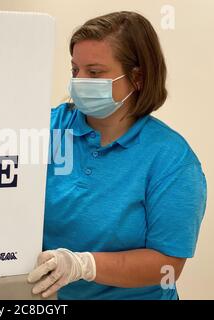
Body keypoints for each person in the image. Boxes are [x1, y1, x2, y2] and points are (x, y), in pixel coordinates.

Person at [27, 11, 207, 300]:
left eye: (95, 72)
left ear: (137, 77)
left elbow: (167, 267)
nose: (79, 81)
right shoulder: (50, 129)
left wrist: (83, 265)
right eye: (75, 70)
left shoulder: (172, 160)